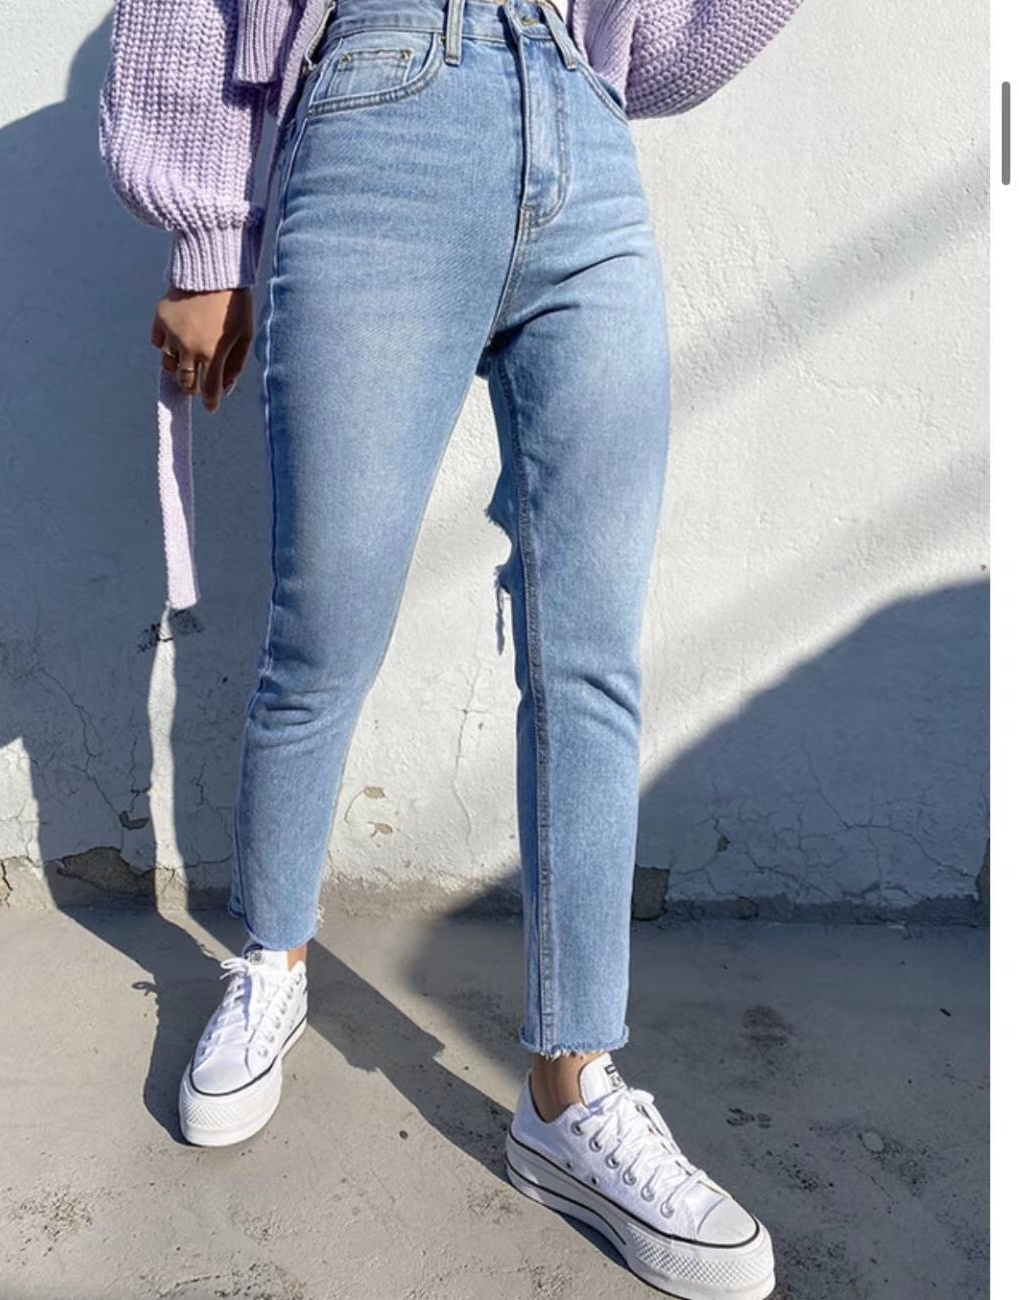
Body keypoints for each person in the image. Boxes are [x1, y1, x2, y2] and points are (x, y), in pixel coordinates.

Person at [99, 0, 781, 1294]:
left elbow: (664, 52)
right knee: (326, 625)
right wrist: (204, 236)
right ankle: (272, 960)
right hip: (377, 112)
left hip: (580, 125)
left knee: (589, 656)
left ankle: (571, 1092)